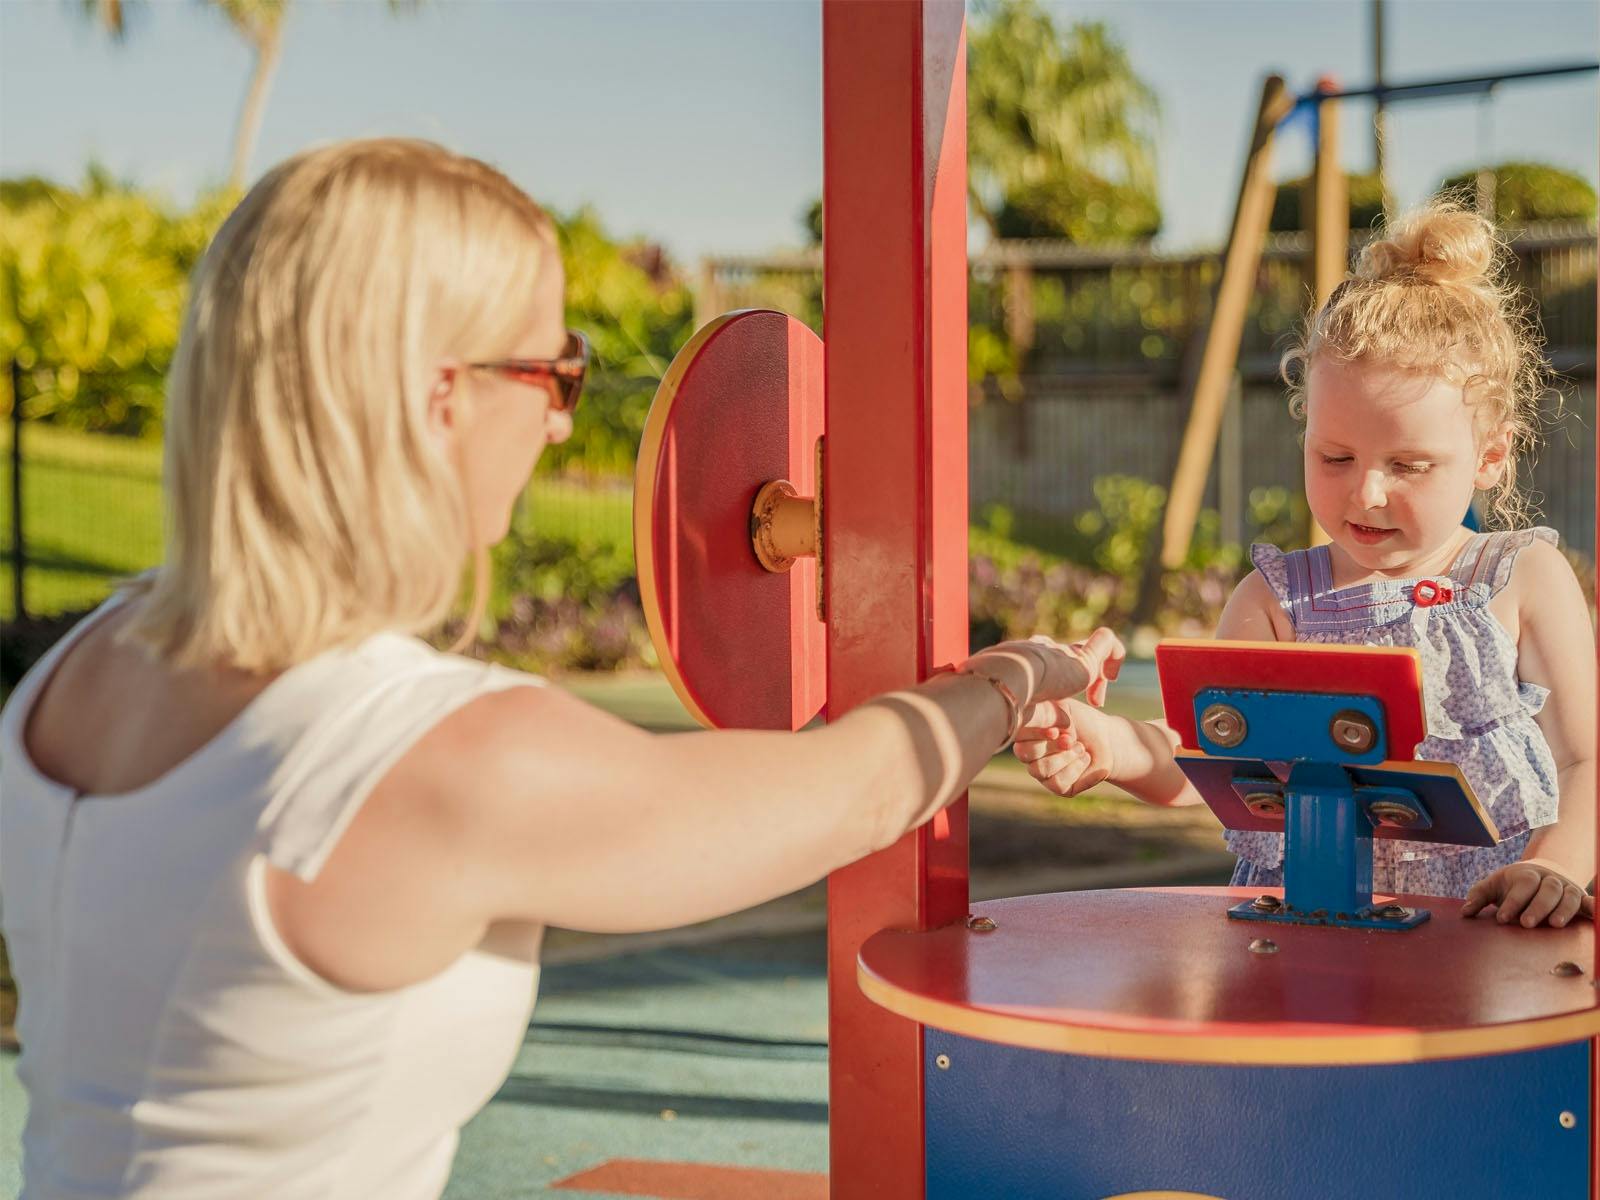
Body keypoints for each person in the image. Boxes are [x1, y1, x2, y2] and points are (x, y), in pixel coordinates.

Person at [0, 138, 1124, 1199]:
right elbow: (866, 787)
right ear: (439, 393)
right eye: (553, 372)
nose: (553, 426)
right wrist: (1021, 673)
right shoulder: (439, 760)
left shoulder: (73, 674)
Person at [1014, 202, 1596, 930]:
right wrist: (1110, 746)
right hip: (1311, 932)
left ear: (1490, 456)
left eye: (1409, 464)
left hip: (1488, 932)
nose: (1367, 491)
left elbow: (1585, 762)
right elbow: (1205, 751)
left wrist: (1557, 867)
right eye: (1335, 457)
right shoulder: (1276, 603)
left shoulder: (1521, 579)